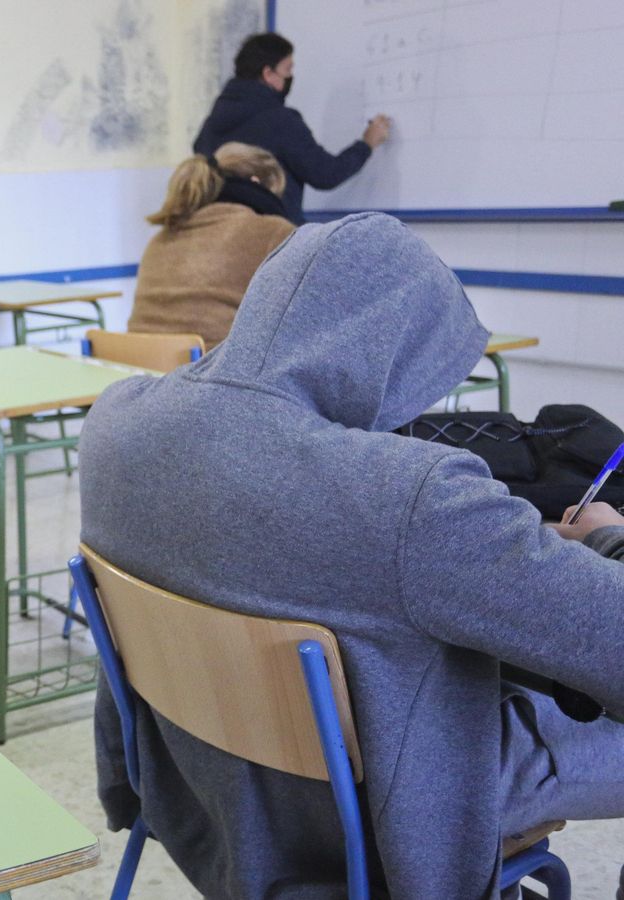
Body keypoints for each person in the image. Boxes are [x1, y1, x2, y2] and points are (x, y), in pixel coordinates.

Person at [79, 212, 624, 898]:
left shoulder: (116, 423)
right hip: (393, 812)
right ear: (389, 351)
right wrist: (605, 539)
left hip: (208, 786)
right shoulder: (412, 495)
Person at [194, 32, 392, 224]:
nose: (291, 77)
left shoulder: (210, 125)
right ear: (268, 74)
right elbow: (325, 173)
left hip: (220, 238)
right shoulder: (280, 120)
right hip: (272, 241)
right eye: (288, 70)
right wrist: (366, 144)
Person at [129, 141, 295, 348]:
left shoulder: (162, 235)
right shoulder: (274, 231)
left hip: (137, 364)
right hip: (209, 370)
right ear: (256, 182)